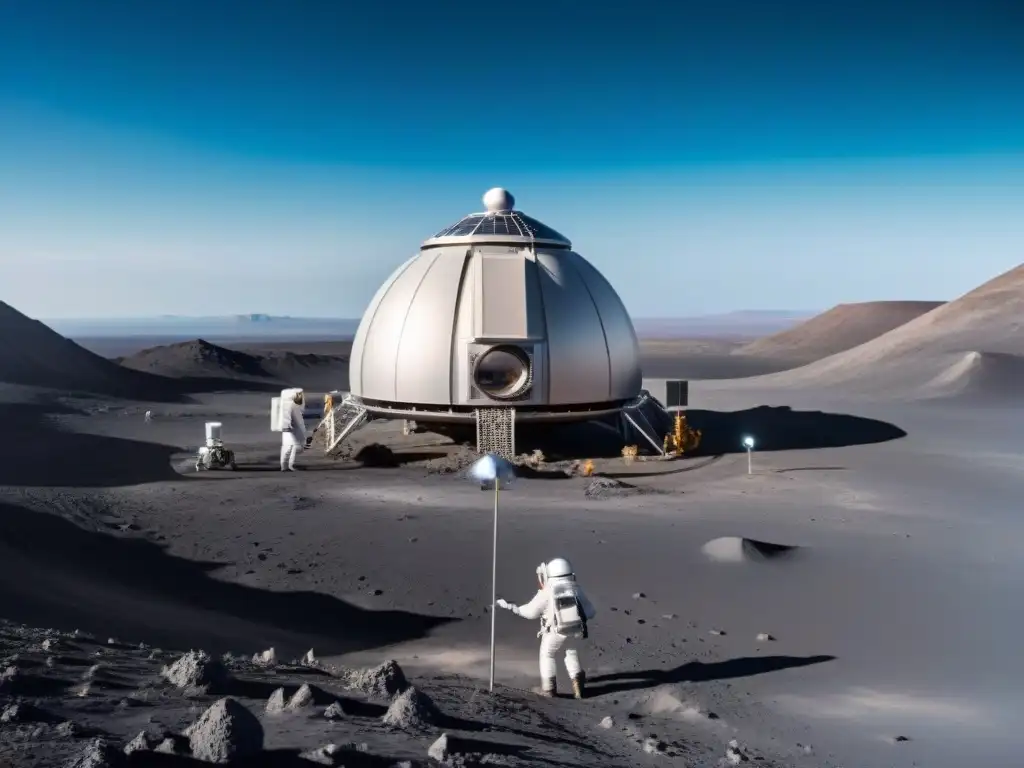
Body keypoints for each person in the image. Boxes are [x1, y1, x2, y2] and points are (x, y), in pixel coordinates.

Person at [496, 557, 596, 699]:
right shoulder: (576, 590)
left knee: (547, 655)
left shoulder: (547, 592)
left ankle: (549, 690)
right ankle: (578, 688)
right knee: (571, 653)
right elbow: (591, 611)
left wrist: (514, 608)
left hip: (554, 632)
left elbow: (531, 613)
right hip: (575, 630)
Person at [280, 388, 307, 471]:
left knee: (294, 447)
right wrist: (288, 426)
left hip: (294, 428)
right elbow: (287, 417)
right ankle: (285, 466)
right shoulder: (290, 405)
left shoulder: (296, 405)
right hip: (289, 429)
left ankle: (289, 465)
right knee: (288, 447)